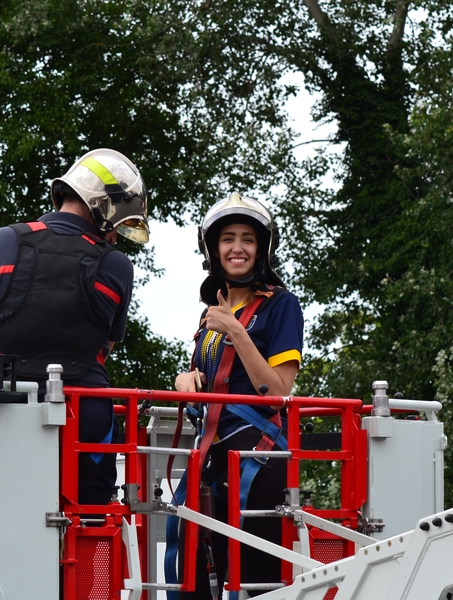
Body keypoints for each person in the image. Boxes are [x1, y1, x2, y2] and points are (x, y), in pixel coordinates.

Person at [0, 148, 149, 506]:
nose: (116, 239)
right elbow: (101, 351)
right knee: (89, 525)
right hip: (83, 422)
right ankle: (88, 561)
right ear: (105, 210)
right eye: (118, 227)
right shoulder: (116, 267)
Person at [169, 192, 305, 598]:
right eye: (228, 238)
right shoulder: (212, 312)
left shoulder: (282, 306)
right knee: (194, 578)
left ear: (262, 248)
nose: (238, 248)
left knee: (256, 584)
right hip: (211, 457)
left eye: (248, 238)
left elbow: (277, 389)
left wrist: (237, 331)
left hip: (258, 460)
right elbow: (212, 385)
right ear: (213, 249)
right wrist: (185, 379)